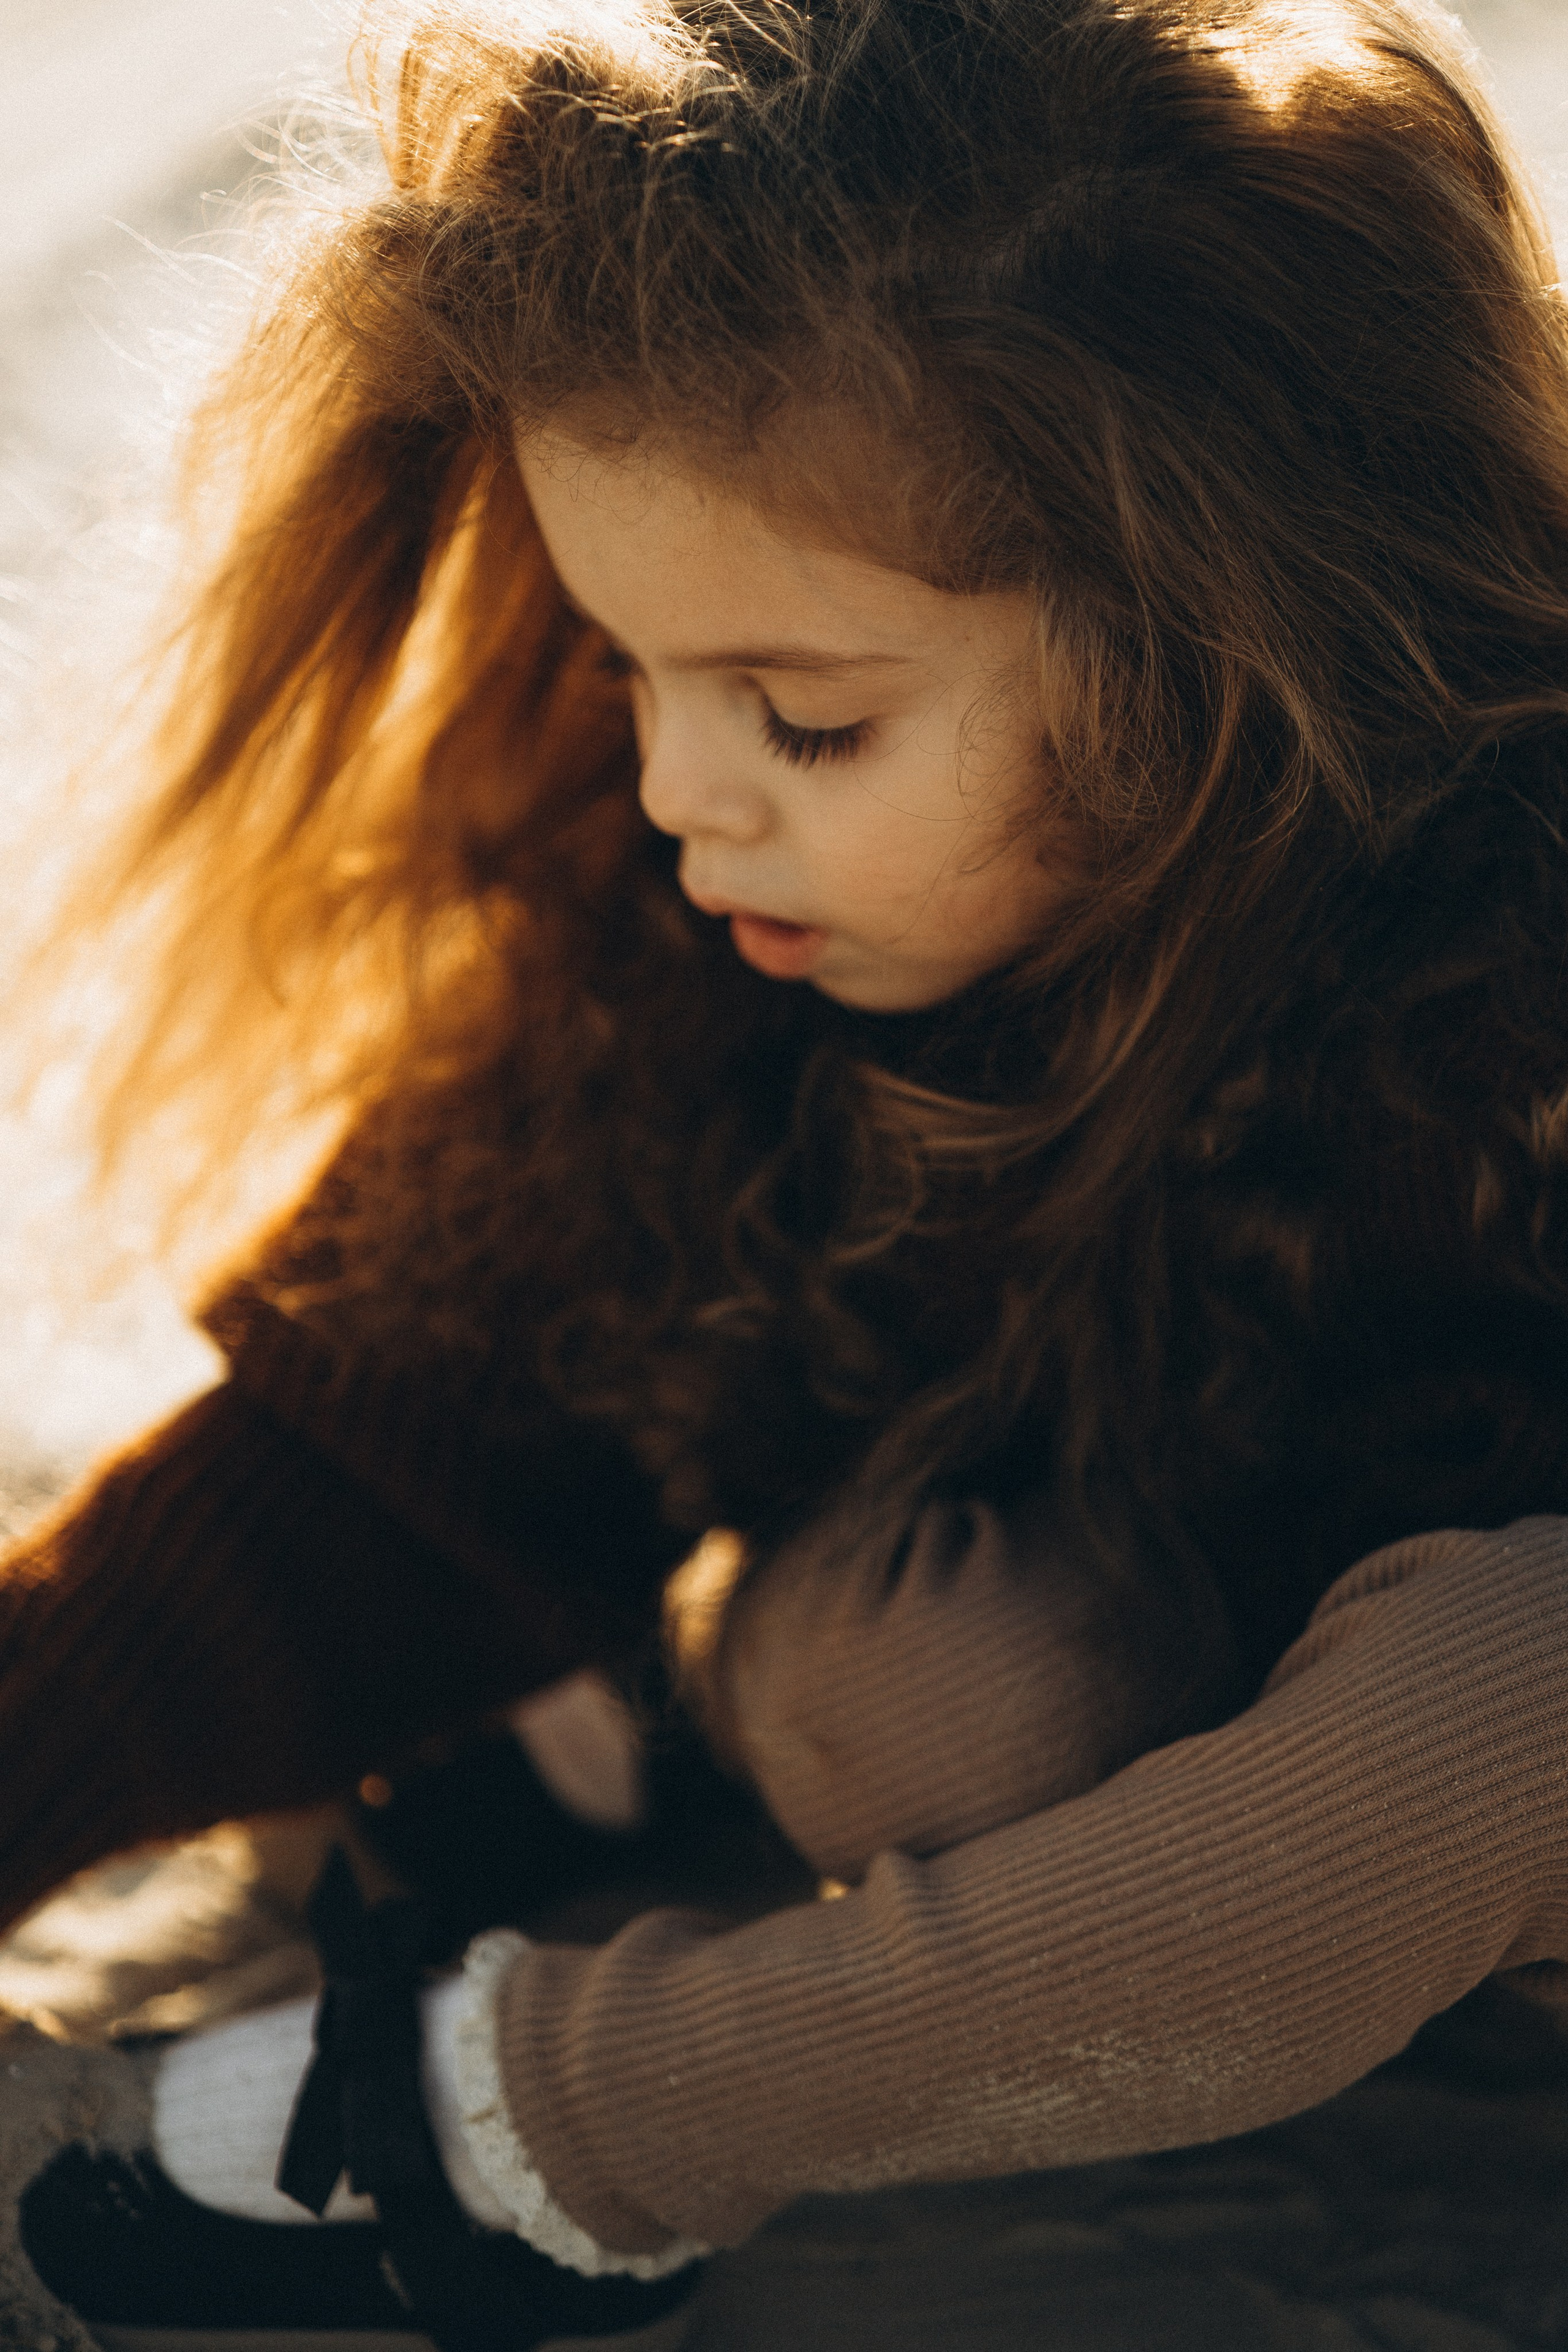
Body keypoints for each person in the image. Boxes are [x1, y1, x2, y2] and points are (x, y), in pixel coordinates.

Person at [6, 0, 1568, 2339]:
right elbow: (373, 1450)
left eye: (805, 717)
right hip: (1200, 1710)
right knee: (931, 1687)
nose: (678, 792)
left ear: (1226, 625)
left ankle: (522, 2139)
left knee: (1508, 1680)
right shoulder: (733, 929)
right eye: (631, 666)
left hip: (1486, 1763)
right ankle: (662, 1690)